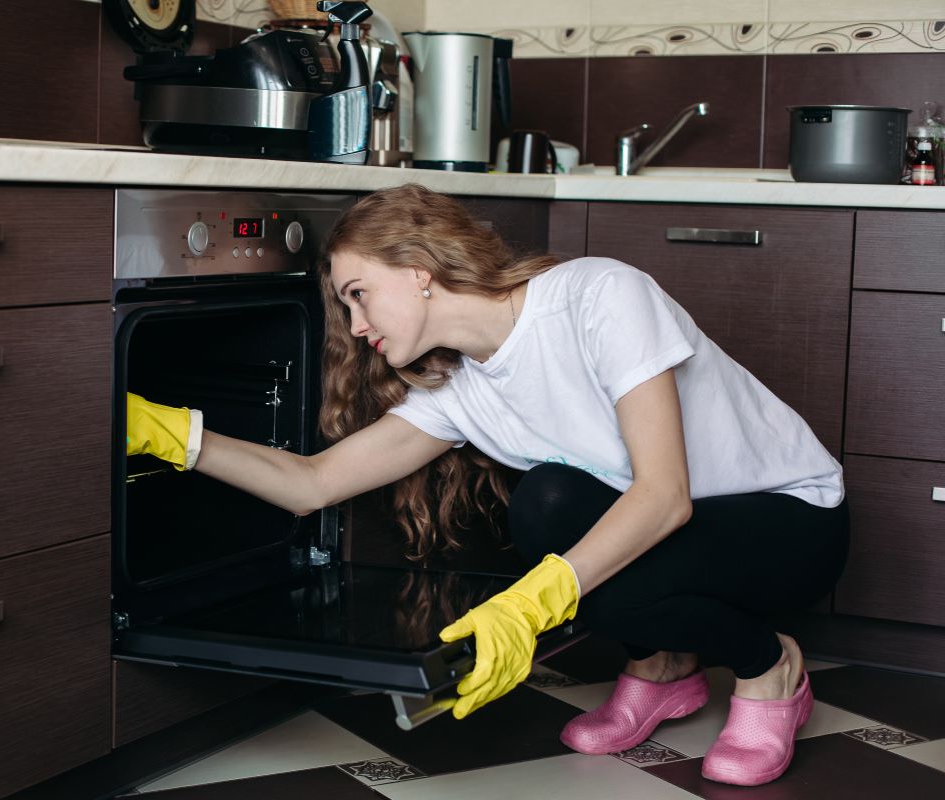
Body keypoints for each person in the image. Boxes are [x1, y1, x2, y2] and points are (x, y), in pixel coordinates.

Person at [126, 184, 849, 787]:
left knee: (577, 546)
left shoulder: (598, 297)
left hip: (790, 522)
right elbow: (314, 483)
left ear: (418, 269)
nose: (356, 323)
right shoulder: (460, 393)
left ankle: (768, 666)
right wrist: (174, 435)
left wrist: (528, 607)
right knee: (547, 505)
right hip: (687, 544)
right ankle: (663, 664)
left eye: (358, 294)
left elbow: (665, 496)